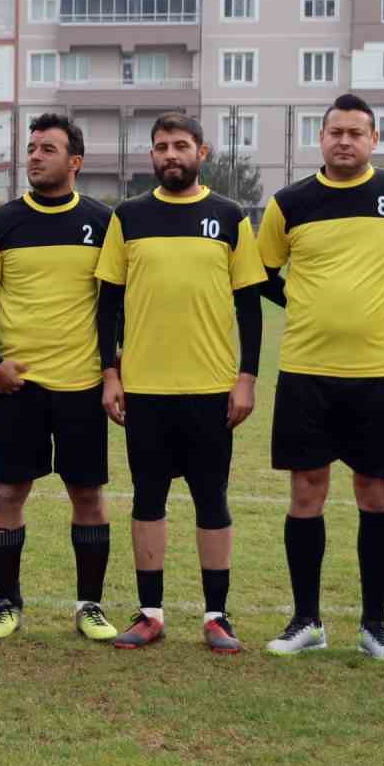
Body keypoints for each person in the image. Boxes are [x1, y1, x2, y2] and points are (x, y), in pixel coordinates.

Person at [257, 93, 384, 661]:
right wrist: (306, 304)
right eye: (335, 132)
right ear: (322, 137)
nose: (344, 141)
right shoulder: (290, 202)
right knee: (306, 491)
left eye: (356, 133)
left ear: (374, 140)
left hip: (381, 371)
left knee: (375, 493)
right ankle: (306, 621)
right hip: (306, 370)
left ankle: (375, 625)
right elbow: (262, 272)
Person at [96, 112, 265, 653]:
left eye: (181, 146)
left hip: (212, 388)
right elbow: (108, 303)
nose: (171, 154)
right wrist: (110, 373)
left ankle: (217, 616)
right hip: (144, 387)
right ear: (152, 156)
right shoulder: (130, 216)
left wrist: (246, 378)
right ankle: (149, 614)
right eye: (162, 146)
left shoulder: (229, 216)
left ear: (202, 152)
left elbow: (250, 308)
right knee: (148, 498)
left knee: (211, 499)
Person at [0, 113, 117, 643]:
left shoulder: (103, 221)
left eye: (47, 149)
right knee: (10, 490)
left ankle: (89, 606)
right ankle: (7, 602)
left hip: (79, 383)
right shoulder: (1, 221)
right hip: (18, 383)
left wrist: (109, 371)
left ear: (74, 161)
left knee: (88, 495)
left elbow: (113, 304)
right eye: (31, 147)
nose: (34, 156)